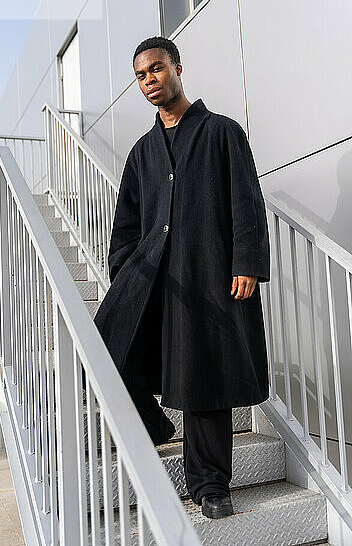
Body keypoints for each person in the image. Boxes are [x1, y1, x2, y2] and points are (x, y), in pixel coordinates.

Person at [94, 35, 270, 519]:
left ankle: (210, 485)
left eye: (156, 69)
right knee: (106, 344)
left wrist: (246, 261)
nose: (149, 80)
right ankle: (152, 424)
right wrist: (127, 270)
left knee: (204, 377)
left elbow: (246, 201)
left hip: (210, 274)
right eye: (140, 75)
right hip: (153, 277)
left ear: (177, 68)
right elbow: (126, 221)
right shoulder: (142, 151)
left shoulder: (221, 132)